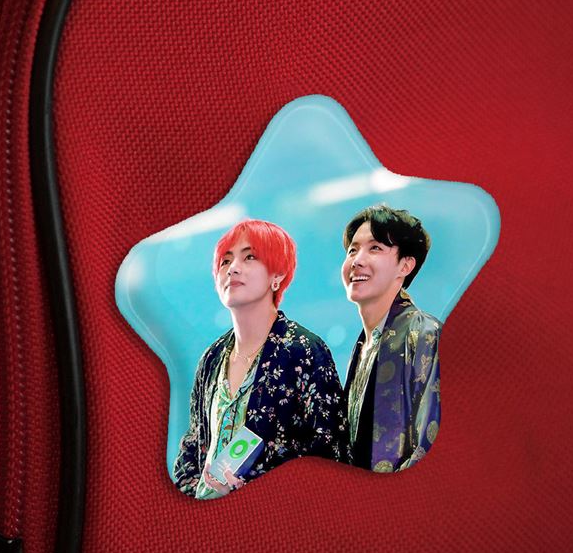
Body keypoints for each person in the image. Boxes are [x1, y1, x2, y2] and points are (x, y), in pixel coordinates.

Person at [173, 219, 347, 498]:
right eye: (225, 261)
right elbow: (192, 446)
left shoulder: (304, 350)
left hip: (272, 511)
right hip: (206, 512)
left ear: (277, 275)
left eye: (249, 257)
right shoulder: (211, 358)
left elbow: (330, 449)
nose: (233, 268)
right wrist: (193, 495)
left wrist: (254, 488)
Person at [341, 204, 441, 473]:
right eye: (352, 250)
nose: (357, 260)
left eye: (375, 248)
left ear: (405, 265)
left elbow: (432, 444)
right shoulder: (363, 345)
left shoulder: (426, 334)